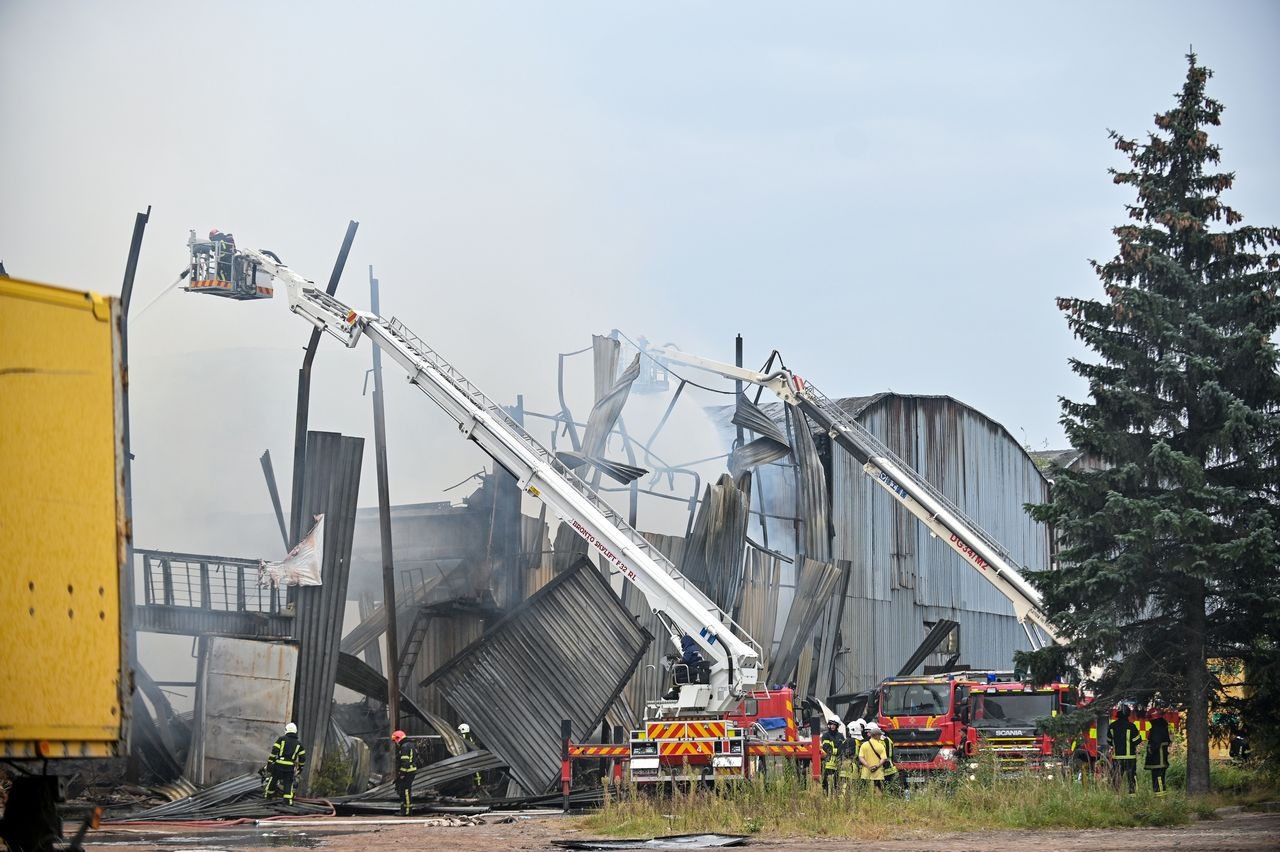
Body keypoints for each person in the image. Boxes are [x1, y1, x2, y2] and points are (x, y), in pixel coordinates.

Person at [264, 721, 306, 804]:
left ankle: (268, 797)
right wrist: (300, 768)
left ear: (286, 730)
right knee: (288, 783)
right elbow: (302, 758)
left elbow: (274, 751)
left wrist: (270, 762)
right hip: (289, 767)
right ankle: (287, 801)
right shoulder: (299, 744)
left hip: (279, 765)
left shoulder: (281, 739)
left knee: (273, 780)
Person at [1108, 705, 1142, 794]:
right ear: (1128, 714)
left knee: (1116, 780)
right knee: (1131, 779)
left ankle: (1115, 798)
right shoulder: (1132, 726)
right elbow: (1137, 740)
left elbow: (1109, 741)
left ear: (1118, 714)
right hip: (1130, 758)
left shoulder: (1112, 726)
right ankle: (1132, 797)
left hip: (1117, 758)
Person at [858, 722, 891, 792]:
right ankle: (878, 802)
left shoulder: (864, 745)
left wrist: (868, 766)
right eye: (879, 735)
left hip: (866, 772)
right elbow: (884, 758)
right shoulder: (881, 745)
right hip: (878, 773)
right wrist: (877, 766)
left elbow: (861, 757)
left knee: (866, 791)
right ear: (876, 735)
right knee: (878, 790)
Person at [1144, 713, 1171, 797]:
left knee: (1158, 778)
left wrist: (1150, 752)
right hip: (1161, 758)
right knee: (1160, 778)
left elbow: (1155, 744)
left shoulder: (1156, 729)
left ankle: (1160, 797)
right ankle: (1160, 796)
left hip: (1157, 759)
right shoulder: (1163, 728)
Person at [392, 730, 417, 815]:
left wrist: (402, 774)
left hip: (407, 772)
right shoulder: (410, 745)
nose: (395, 742)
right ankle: (404, 810)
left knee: (405, 791)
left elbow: (405, 762)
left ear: (398, 738)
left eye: (395, 740)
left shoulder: (404, 747)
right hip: (410, 771)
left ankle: (407, 811)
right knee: (403, 790)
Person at [819, 719, 845, 793]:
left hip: (838, 762)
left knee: (837, 781)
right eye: (831, 724)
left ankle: (836, 794)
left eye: (834, 725)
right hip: (828, 762)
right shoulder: (826, 735)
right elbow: (827, 747)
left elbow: (843, 747)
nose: (832, 726)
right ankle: (825, 794)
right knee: (826, 780)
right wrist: (838, 751)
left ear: (837, 726)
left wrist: (839, 752)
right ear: (829, 725)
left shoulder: (840, 736)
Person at [459, 722, 482, 789]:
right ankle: (477, 785)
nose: (459, 732)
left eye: (460, 730)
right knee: (475, 773)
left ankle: (476, 785)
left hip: (470, 757)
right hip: (472, 756)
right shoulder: (468, 736)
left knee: (473, 772)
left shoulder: (466, 736)